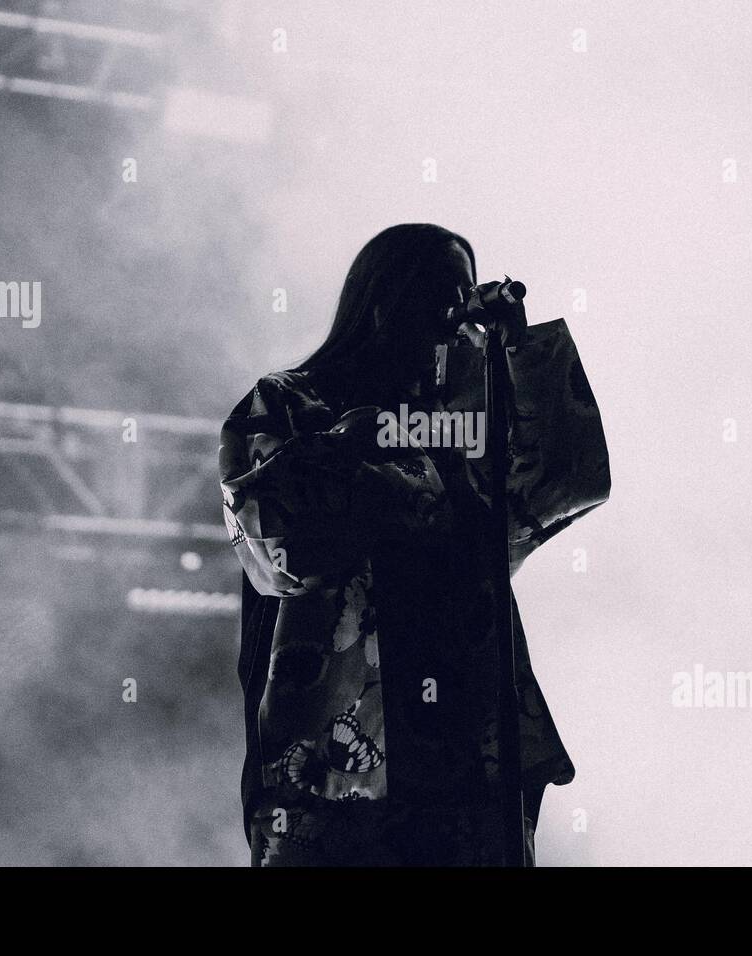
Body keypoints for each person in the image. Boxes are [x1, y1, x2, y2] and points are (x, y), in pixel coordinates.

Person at [218, 223, 609, 865]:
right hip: (333, 767)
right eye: (442, 295)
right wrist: (366, 437)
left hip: (464, 761)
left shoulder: (463, 428)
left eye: (464, 298)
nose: (456, 316)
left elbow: (565, 479)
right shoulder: (289, 404)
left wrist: (517, 348)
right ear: (383, 301)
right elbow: (270, 541)